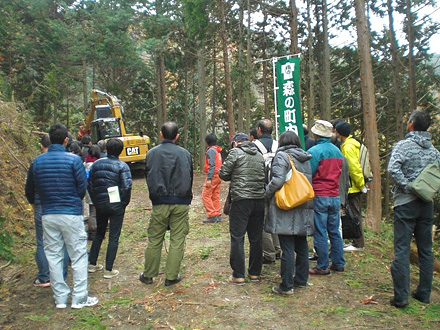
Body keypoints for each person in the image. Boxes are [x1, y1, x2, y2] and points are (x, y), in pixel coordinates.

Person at [25, 123, 98, 309]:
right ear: (66, 140)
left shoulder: (37, 162)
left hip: (48, 214)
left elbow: (30, 191)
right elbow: (82, 187)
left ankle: (60, 298)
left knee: (54, 255)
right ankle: (80, 298)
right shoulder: (74, 161)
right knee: (79, 255)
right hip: (71, 213)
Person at [387, 109, 440, 308]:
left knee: (402, 249)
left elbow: (393, 169)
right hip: (426, 204)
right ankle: (424, 293)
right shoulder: (434, 151)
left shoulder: (403, 146)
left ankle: (401, 297)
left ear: (411, 124)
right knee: (426, 250)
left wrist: (407, 186)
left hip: (405, 203)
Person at [139, 122, 193, 287]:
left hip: (160, 201)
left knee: (155, 238)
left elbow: (148, 175)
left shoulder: (152, 154)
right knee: (177, 238)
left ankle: (148, 274)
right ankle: (171, 276)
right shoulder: (185, 154)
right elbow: (190, 175)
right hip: (181, 202)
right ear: (177, 136)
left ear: (161, 134)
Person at [265, 131, 314, 295]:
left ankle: (286, 285)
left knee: (287, 247)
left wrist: (266, 192)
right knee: (301, 245)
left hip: (286, 205)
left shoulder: (282, 156)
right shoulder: (305, 157)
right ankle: (301, 279)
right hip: (303, 203)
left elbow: (278, 180)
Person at [219, 133, 266, 285]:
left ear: (235, 143)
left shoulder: (235, 152)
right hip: (259, 200)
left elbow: (223, 174)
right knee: (256, 238)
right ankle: (254, 273)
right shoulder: (259, 155)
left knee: (238, 237)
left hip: (241, 200)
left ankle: (238, 274)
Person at [26, 134, 69, 288]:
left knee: (42, 242)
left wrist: (33, 202)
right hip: (60, 204)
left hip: (41, 205)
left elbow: (29, 187)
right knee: (61, 242)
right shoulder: (68, 160)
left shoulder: (37, 162)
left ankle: (44, 276)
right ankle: (61, 276)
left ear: (42, 146)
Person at [88, 139, 132, 279]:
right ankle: (108, 269)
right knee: (114, 235)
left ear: (106, 149)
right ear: (121, 150)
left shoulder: (96, 164)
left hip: (100, 203)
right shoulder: (122, 166)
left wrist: (95, 199)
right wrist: (124, 202)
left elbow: (89, 183)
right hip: (116, 204)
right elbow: (127, 186)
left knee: (100, 233)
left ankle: (92, 263)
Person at [307, 120, 345, 276]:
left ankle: (322, 265)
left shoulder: (315, 151)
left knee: (320, 231)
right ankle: (338, 263)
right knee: (334, 230)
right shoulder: (337, 151)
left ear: (316, 134)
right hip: (334, 194)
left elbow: (309, 172)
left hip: (320, 194)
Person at [335, 121, 367, 252]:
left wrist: (360, 184)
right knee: (354, 213)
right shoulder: (351, 144)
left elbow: (353, 168)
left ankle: (358, 243)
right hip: (354, 185)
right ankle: (356, 241)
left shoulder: (348, 147)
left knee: (354, 214)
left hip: (353, 186)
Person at [253, 119, 281, 264]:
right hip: (277, 186)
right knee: (275, 217)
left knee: (262, 221)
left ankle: (268, 253)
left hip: (261, 187)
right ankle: (278, 249)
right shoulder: (278, 144)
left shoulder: (255, 146)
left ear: (259, 129)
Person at [202, 134, 223, 223]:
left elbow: (212, 165)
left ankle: (212, 215)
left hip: (213, 175)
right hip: (219, 174)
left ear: (207, 142)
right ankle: (217, 213)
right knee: (215, 195)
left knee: (205, 195)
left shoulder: (211, 150)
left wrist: (209, 178)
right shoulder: (217, 150)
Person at [84, 145, 101, 240]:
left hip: (88, 190)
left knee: (92, 211)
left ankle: (92, 230)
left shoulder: (84, 163)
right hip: (95, 190)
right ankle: (93, 231)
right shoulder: (96, 164)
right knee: (94, 213)